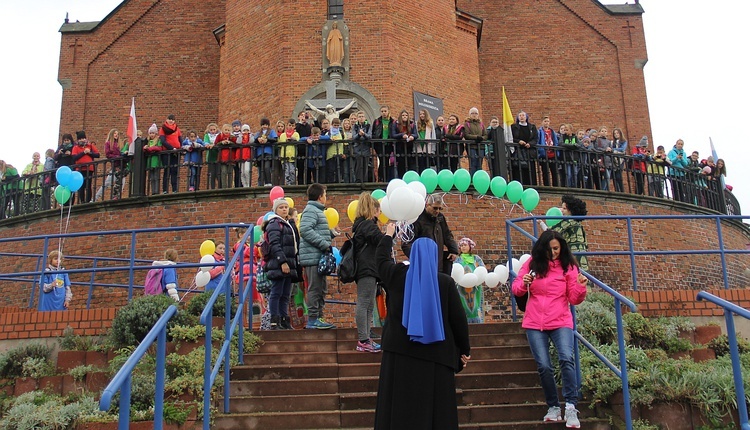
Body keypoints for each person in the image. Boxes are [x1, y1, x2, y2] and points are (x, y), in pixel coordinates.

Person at [374, 226, 471, 430]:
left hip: (399, 355)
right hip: (437, 357)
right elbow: (458, 320)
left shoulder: (397, 275)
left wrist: (388, 235)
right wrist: (464, 351)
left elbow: (381, 261)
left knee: (399, 411)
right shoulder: (444, 282)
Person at [511, 230, 587, 428]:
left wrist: (580, 286)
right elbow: (517, 287)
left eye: (556, 248)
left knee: (566, 358)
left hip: (560, 320)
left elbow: (574, 298)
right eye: (549, 248)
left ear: (561, 248)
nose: (553, 252)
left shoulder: (568, 267)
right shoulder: (532, 265)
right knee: (544, 366)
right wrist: (524, 283)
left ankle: (571, 406)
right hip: (535, 322)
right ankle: (553, 407)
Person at [298, 183, 337, 329]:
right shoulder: (311, 211)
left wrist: (331, 234)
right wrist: (324, 244)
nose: (326, 198)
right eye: (325, 195)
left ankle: (319, 317)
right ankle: (313, 319)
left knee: (321, 288)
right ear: (320, 197)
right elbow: (305, 230)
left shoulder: (315, 211)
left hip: (316, 256)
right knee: (315, 288)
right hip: (313, 257)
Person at [352, 192, 386, 352]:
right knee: (364, 302)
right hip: (367, 268)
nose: (380, 215)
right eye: (378, 211)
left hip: (368, 267)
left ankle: (366, 336)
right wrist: (390, 233)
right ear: (373, 209)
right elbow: (381, 241)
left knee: (369, 304)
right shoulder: (367, 225)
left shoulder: (362, 225)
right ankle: (363, 339)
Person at [263, 198, 300, 330]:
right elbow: (275, 244)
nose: (284, 209)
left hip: (289, 263)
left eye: (286, 207)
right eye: (281, 207)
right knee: (276, 292)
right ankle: (274, 321)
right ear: (275, 210)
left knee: (285, 294)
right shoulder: (274, 224)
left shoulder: (286, 224)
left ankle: (284, 320)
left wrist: (292, 222)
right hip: (279, 263)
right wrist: (282, 261)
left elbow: (295, 241)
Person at [401, 193, 459, 275]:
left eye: (440, 208)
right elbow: (407, 242)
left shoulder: (440, 218)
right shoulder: (417, 219)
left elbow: (447, 235)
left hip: (439, 263)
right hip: (423, 264)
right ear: (427, 205)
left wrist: (453, 250)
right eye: (435, 208)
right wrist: (418, 258)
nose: (437, 211)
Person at [548, 195, 589, 272]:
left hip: (572, 259)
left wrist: (542, 223)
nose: (561, 211)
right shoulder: (577, 224)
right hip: (582, 261)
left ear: (571, 210)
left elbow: (550, 233)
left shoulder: (568, 222)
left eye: (564, 208)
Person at [456, 237, 486, 324]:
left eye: (465, 245)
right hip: (462, 287)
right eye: (461, 246)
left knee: (476, 305)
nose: (463, 247)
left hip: (475, 287)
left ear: (470, 246)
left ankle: (478, 323)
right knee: (464, 305)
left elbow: (482, 269)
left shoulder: (476, 258)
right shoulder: (458, 259)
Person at [510, 111, 538, 185]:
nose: (522, 117)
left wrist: (530, 144)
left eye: (523, 115)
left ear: (526, 117)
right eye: (520, 115)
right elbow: (511, 138)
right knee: (518, 170)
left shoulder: (532, 127)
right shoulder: (514, 127)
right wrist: (519, 141)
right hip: (518, 152)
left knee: (530, 171)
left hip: (529, 152)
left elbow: (535, 139)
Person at [71, 130, 100, 203]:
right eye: (80, 139)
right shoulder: (76, 147)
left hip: (89, 168)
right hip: (80, 169)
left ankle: (88, 200)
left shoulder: (90, 145)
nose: (82, 140)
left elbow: (97, 154)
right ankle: (82, 200)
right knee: (81, 186)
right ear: (78, 140)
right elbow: (74, 157)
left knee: (88, 185)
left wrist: (89, 152)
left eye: (83, 138)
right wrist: (83, 152)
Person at [158, 114, 182, 194]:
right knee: (167, 171)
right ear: (166, 119)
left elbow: (180, 139)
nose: (171, 121)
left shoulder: (177, 128)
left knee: (174, 171)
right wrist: (171, 148)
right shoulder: (163, 128)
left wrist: (180, 148)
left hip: (176, 152)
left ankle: (175, 189)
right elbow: (163, 141)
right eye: (169, 119)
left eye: (172, 119)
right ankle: (165, 189)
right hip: (167, 152)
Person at [372, 106, 396, 181]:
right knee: (383, 160)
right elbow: (373, 132)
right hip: (379, 144)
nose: (383, 113)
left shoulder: (392, 121)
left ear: (388, 111)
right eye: (382, 111)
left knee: (385, 161)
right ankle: (381, 178)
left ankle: (383, 178)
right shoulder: (377, 121)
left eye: (385, 111)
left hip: (388, 144)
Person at [463, 107, 487, 176]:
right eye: (472, 113)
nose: (474, 115)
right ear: (469, 115)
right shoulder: (467, 124)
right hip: (471, 146)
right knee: (473, 162)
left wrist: (481, 138)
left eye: (476, 113)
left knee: (480, 162)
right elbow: (466, 134)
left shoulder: (481, 124)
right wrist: (476, 137)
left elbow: (485, 135)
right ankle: (472, 178)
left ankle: (479, 177)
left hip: (481, 146)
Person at [352, 110, 373, 183]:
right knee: (358, 166)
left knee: (365, 165)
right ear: (357, 118)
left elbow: (370, 136)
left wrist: (363, 134)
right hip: (357, 148)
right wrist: (359, 135)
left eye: (362, 116)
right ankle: (358, 180)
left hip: (366, 148)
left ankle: (365, 180)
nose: (361, 118)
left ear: (365, 118)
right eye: (359, 117)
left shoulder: (368, 126)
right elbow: (354, 137)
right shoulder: (355, 126)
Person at [278, 118, 300, 186]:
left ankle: (293, 183)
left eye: (292, 125)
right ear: (287, 125)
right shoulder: (283, 135)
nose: (291, 127)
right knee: (286, 172)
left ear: (294, 126)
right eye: (289, 125)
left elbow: (298, 141)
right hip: (284, 156)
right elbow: (280, 143)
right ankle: (288, 184)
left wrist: (293, 140)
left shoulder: (296, 134)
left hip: (292, 156)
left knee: (292, 171)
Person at [143, 124, 163, 195]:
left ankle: (156, 190)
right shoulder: (148, 141)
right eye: (150, 133)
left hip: (156, 160)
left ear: (156, 133)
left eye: (153, 133)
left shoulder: (158, 140)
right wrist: (145, 148)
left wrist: (150, 149)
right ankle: (153, 191)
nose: (152, 135)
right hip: (150, 161)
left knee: (156, 176)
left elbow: (159, 148)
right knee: (151, 177)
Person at [204, 123, 221, 190]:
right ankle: (213, 187)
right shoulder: (207, 135)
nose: (213, 131)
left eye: (214, 129)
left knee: (218, 173)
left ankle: (220, 187)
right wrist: (207, 144)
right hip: (210, 156)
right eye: (211, 130)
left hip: (217, 155)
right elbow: (205, 142)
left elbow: (219, 142)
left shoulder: (219, 135)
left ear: (216, 129)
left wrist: (214, 145)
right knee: (212, 173)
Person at [611, 128, 628, 193]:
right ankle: (617, 190)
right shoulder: (613, 142)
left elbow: (622, 149)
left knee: (618, 175)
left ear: (620, 133)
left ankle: (621, 191)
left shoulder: (624, 141)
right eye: (614, 133)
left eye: (617, 133)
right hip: (614, 159)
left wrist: (613, 149)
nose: (616, 134)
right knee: (614, 175)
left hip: (620, 159)